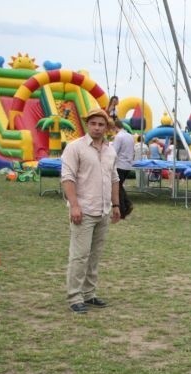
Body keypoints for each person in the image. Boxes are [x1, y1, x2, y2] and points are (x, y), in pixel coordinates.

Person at [60, 108, 121, 314]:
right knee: (79, 256)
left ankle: (89, 294)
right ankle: (74, 297)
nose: (97, 127)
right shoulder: (75, 148)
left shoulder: (110, 150)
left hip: (103, 210)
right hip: (83, 211)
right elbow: (67, 177)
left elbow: (114, 179)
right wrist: (75, 205)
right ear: (88, 125)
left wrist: (116, 205)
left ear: (106, 127)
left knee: (94, 256)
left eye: (101, 124)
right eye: (93, 123)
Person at [112, 119, 135, 219]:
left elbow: (113, 152)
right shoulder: (130, 136)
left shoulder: (118, 137)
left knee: (117, 188)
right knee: (119, 186)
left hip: (120, 165)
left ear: (115, 127)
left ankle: (124, 208)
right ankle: (127, 205)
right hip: (128, 165)